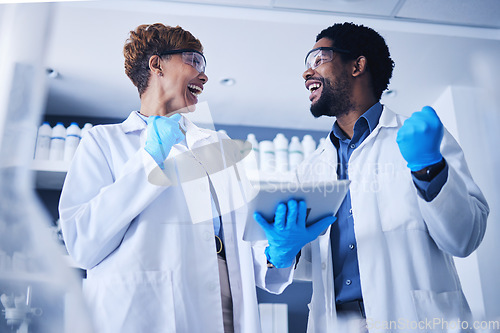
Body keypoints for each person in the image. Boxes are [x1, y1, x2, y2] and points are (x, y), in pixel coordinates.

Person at [254, 22, 489, 332]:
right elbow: (310, 263)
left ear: (357, 65)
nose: (306, 73)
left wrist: (429, 169)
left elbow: (465, 237)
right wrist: (283, 252)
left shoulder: (419, 140)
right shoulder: (311, 167)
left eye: (318, 59)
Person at [59, 23, 292, 333]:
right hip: (145, 312)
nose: (204, 75)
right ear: (157, 64)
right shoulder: (104, 142)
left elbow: (247, 240)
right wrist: (150, 159)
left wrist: (277, 254)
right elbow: (82, 244)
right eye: (193, 60)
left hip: (225, 311)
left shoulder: (218, 147)